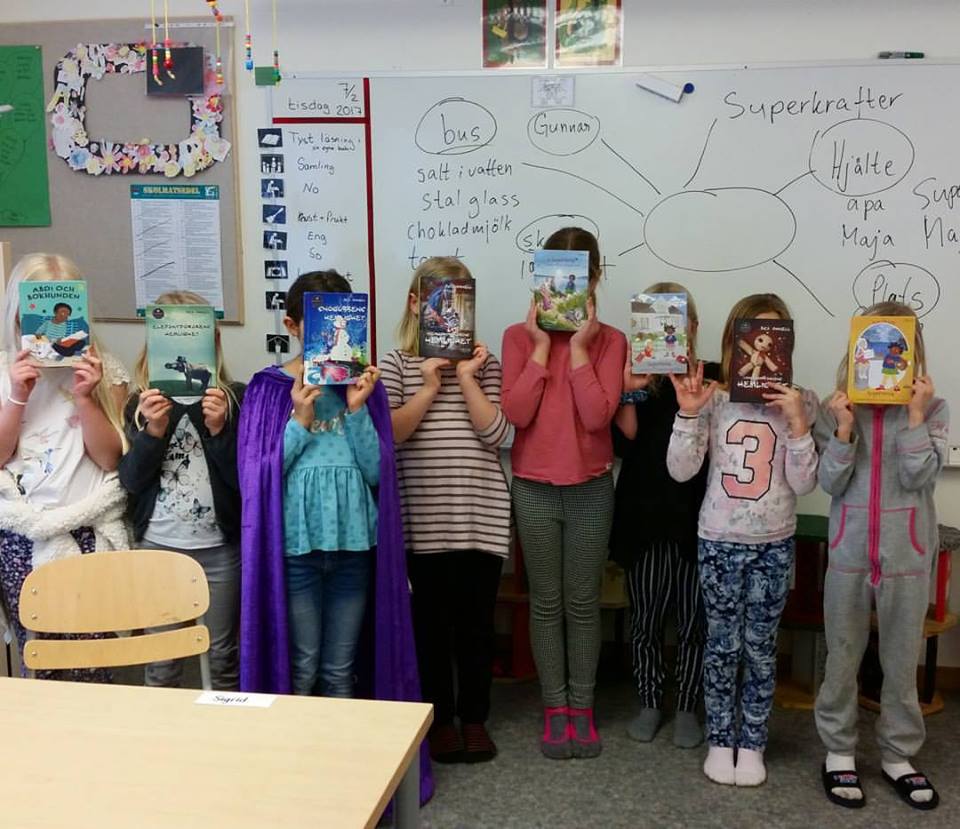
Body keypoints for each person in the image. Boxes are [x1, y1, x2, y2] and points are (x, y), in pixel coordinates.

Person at [236, 269, 432, 799]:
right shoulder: (270, 389)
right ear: (293, 325)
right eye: (316, 321)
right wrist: (299, 420)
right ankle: (299, 776)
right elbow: (258, 480)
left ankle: (341, 779)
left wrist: (356, 410)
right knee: (302, 669)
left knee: (340, 671)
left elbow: (377, 472)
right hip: (296, 551)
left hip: (353, 550)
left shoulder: (364, 388)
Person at [666, 293, 818, 787]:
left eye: (775, 335)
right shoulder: (713, 398)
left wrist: (798, 424)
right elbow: (681, 470)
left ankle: (752, 742)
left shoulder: (800, 401)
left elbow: (805, 483)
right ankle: (720, 740)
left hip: (774, 543)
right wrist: (688, 413)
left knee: (760, 648)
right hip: (720, 540)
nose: (763, 345)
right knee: (722, 646)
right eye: (753, 334)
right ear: (734, 341)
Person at [815, 301, 947, 812]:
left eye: (896, 345)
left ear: (911, 352)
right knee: (842, 655)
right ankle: (838, 750)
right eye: (871, 343)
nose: (883, 353)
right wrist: (844, 429)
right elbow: (830, 482)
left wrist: (914, 416)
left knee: (900, 658)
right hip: (849, 552)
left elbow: (920, 476)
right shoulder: (836, 408)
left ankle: (898, 755)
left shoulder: (934, 409)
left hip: (906, 554)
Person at [501, 227, 626, 759]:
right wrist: (538, 348)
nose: (565, 285)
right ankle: (555, 707)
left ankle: (582, 706)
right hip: (534, 487)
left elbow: (598, 418)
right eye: (554, 275)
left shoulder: (611, 341)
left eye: (577, 275)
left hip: (591, 488)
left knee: (583, 602)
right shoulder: (517, 337)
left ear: (594, 278)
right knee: (546, 603)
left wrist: (577, 349)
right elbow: (516, 413)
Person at [381, 257, 511, 764]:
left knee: (477, 626)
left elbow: (498, 434)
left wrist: (468, 378)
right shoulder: (396, 363)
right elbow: (392, 433)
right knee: (430, 628)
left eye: (459, 303)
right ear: (416, 304)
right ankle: (438, 719)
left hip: (480, 515)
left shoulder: (484, 363)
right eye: (437, 301)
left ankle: (474, 718)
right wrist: (431, 386)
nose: (449, 313)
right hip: (422, 520)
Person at [0, 253, 129, 679]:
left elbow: (109, 458)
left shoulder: (103, 370)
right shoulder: (3, 371)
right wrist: (17, 395)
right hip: (24, 534)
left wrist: (86, 397)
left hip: (87, 527)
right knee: (40, 656)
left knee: (96, 656)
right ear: (17, 314)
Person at [118, 290, 244, 690]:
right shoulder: (142, 403)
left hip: (219, 548)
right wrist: (152, 432)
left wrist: (220, 431)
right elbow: (130, 481)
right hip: (159, 545)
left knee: (223, 655)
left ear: (214, 341)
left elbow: (244, 482)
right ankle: (159, 730)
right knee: (162, 659)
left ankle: (224, 726)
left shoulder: (233, 399)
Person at [611, 283, 713, 749]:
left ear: (692, 327)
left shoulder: (710, 379)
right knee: (646, 618)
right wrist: (629, 390)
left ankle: (688, 704)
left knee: (694, 622)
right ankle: (650, 700)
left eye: (677, 321)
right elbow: (625, 442)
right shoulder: (638, 381)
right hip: (645, 515)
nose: (669, 330)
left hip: (697, 517)